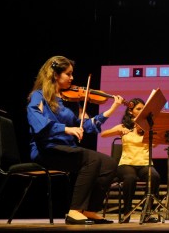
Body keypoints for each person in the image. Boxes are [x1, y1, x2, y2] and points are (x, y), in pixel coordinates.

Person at [27, 55, 125, 225]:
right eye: (68, 74)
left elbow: (86, 126)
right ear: (55, 75)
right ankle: (74, 211)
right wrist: (66, 129)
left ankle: (89, 210)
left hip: (67, 150)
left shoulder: (69, 101)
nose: (72, 78)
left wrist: (111, 110)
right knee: (91, 159)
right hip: (47, 149)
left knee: (109, 163)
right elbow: (38, 124)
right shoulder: (39, 96)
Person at [101, 97, 161, 223]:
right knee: (130, 178)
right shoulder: (124, 127)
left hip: (144, 163)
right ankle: (126, 211)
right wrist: (117, 130)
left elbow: (155, 144)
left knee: (154, 176)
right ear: (130, 111)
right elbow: (103, 134)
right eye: (139, 109)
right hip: (126, 163)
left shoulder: (149, 128)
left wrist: (147, 132)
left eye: (143, 109)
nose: (142, 111)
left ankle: (147, 212)